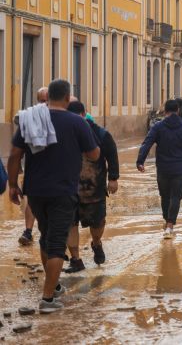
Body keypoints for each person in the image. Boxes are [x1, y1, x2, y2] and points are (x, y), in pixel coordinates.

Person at [6, 80, 100, 313]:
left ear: (48, 98)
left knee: (46, 237)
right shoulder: (77, 122)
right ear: (68, 99)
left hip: (35, 191)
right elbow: (95, 154)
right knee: (57, 244)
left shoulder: (30, 119)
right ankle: (47, 300)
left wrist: (12, 184)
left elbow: (14, 154)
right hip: (62, 192)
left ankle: (54, 285)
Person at [64, 101, 119, 273]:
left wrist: (113, 178)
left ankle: (96, 243)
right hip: (68, 190)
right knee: (69, 224)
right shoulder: (62, 133)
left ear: (83, 115)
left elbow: (112, 154)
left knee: (98, 223)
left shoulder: (100, 134)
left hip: (94, 190)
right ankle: (76, 259)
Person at [136, 99, 182, 239]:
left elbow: (147, 143)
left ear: (165, 111)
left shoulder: (158, 127)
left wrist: (140, 161)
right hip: (179, 169)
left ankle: (167, 221)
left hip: (163, 168)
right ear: (178, 111)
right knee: (176, 197)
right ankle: (170, 224)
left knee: (165, 196)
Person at [18, 87, 48, 246]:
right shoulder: (29, 120)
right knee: (30, 199)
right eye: (41, 101)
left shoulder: (60, 118)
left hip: (55, 171)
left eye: (47, 100)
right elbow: (18, 148)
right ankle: (28, 231)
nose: (44, 104)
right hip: (33, 169)